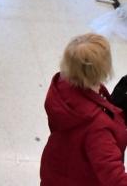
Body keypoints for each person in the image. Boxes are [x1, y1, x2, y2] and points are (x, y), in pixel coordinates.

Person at [40, 33, 127, 185]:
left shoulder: (62, 87)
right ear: (103, 69)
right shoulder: (98, 128)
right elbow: (115, 179)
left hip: (59, 170)